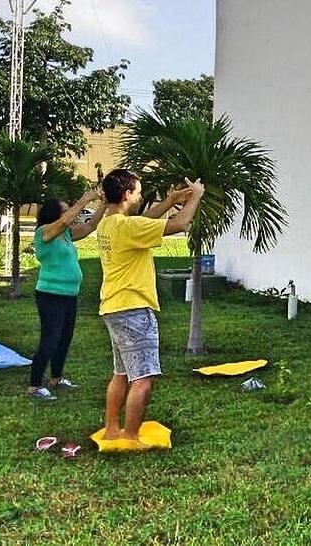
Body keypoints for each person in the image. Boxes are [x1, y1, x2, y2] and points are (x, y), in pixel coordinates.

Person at [97, 169, 204, 445]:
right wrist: (196, 197)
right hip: (133, 309)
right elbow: (180, 224)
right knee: (143, 377)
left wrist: (170, 201)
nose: (141, 195)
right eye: (138, 191)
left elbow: (144, 222)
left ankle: (112, 429)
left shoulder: (109, 225)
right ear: (126, 194)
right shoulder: (127, 227)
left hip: (113, 307)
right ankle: (132, 437)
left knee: (121, 373)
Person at [26, 189, 106, 400]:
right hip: (50, 294)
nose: (70, 213)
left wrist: (104, 204)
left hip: (69, 295)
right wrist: (84, 199)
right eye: (64, 210)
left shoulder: (66, 234)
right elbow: (63, 222)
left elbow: (90, 226)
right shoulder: (44, 232)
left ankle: (56, 378)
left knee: (64, 338)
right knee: (50, 339)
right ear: (55, 214)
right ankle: (34, 385)